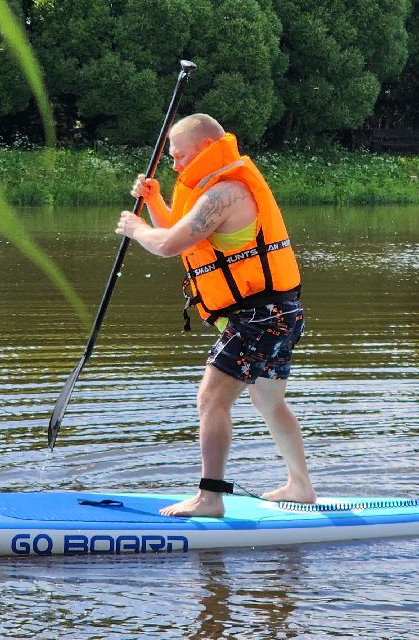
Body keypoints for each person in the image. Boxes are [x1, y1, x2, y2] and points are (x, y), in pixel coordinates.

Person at [115, 113, 315, 518]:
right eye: (170, 158)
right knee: (269, 402)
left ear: (206, 147)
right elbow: (182, 234)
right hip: (276, 314)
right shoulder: (212, 191)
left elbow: (169, 244)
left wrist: (136, 229)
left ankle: (210, 498)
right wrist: (154, 202)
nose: (174, 165)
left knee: (210, 399)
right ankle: (300, 486)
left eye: (180, 155)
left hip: (259, 316)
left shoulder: (226, 192)